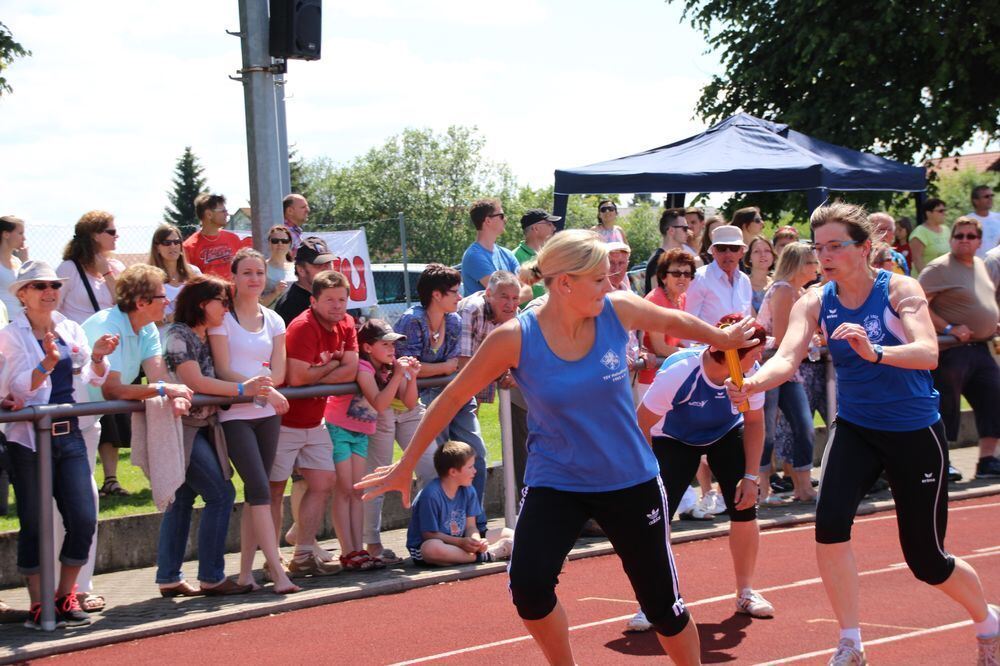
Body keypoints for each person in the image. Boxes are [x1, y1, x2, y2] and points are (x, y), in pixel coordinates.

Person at [359, 229, 758, 665]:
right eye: (599, 279)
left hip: (629, 480)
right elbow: (453, 396)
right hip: (557, 481)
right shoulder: (515, 337)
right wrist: (406, 464)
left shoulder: (617, 309)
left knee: (663, 606)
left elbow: (672, 321)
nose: (610, 285)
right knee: (529, 589)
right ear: (565, 282)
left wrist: (722, 339)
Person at [725, 202, 1000, 666]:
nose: (825, 256)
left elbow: (927, 352)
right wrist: (753, 382)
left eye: (836, 246)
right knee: (829, 527)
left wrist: (875, 351)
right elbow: (787, 357)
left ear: (865, 247)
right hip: (856, 428)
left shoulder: (900, 288)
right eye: (819, 248)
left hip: (913, 431)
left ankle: (988, 620)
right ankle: (850, 642)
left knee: (928, 561)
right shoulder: (815, 300)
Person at [625, 314, 772, 633]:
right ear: (733, 352)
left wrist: (751, 478)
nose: (760, 358)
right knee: (656, 519)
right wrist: (648, 475)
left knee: (745, 508)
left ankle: (746, 592)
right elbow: (642, 424)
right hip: (672, 439)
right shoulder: (681, 371)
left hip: (725, 434)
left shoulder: (750, 374)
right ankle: (653, 602)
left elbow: (754, 422)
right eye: (755, 352)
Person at [0, 261, 118, 629]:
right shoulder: (10, 335)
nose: (49, 291)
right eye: (40, 286)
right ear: (23, 294)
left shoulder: (69, 327)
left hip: (70, 434)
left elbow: (93, 376)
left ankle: (65, 594)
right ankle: (39, 603)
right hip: (28, 439)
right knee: (35, 522)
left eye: (54, 285)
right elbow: (16, 391)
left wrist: (98, 355)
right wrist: (46, 365)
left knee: (83, 518)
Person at [205, 250, 300, 593]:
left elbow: (279, 370)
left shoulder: (274, 320)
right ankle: (278, 572)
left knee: (256, 494)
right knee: (260, 489)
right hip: (236, 414)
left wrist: (267, 389)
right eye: (247, 273)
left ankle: (246, 573)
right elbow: (223, 369)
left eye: (259, 272)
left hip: (266, 414)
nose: (255, 279)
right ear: (233, 276)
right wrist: (259, 389)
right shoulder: (222, 320)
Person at [273, 270, 357, 577]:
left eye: (342, 299)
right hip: (284, 421)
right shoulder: (303, 327)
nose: (337, 306)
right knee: (273, 490)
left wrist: (319, 371)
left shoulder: (347, 323)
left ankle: (303, 554)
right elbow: (297, 378)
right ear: (314, 301)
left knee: (324, 482)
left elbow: (350, 370)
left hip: (314, 420)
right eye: (330, 300)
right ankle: (271, 560)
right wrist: (333, 365)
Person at [396, 264, 487, 534]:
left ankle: (474, 522)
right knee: (437, 465)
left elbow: (451, 365)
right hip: (420, 400)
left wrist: (437, 369)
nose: (460, 297)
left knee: (476, 454)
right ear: (436, 294)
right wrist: (443, 368)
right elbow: (407, 367)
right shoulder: (412, 321)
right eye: (454, 292)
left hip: (453, 394)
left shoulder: (454, 320)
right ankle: (433, 529)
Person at [326, 319, 420, 570]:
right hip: (339, 429)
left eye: (393, 345)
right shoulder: (363, 366)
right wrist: (398, 375)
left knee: (357, 490)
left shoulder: (389, 368)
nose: (392, 349)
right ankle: (348, 551)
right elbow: (379, 403)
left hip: (360, 433)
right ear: (368, 347)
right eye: (385, 344)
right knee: (344, 489)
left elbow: (410, 403)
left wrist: (411, 377)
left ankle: (358, 550)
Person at [918, 217, 1000, 479]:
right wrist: (948, 328)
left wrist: (992, 322)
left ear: (979, 241)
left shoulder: (980, 265)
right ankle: (942, 462)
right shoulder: (938, 267)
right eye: (959, 235)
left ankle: (987, 460)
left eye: (970, 236)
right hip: (950, 350)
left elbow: (983, 301)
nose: (964, 240)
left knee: (994, 397)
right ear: (951, 239)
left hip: (980, 347)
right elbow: (916, 303)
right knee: (946, 405)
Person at [55, 211, 128, 499]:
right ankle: (83, 479)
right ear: (94, 235)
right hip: (80, 355)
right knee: (87, 416)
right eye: (110, 231)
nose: (116, 235)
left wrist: (107, 272)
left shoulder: (115, 266)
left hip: (111, 349)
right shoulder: (69, 268)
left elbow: (124, 304)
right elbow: (54, 308)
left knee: (109, 416)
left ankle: (110, 477)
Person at [754, 242, 820, 504]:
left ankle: (803, 487)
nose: (817, 266)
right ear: (797, 265)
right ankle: (763, 489)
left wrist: (812, 341)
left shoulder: (799, 292)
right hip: (769, 367)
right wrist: (812, 343)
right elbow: (783, 339)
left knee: (804, 426)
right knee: (767, 430)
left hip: (789, 369)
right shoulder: (783, 290)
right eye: (811, 261)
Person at [406, 440, 514, 566]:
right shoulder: (430, 495)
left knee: (509, 533)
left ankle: (474, 554)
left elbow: (471, 527)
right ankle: (486, 555)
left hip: (461, 540)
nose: (475, 471)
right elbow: (429, 535)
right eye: (470, 467)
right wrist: (460, 543)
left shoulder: (468, 489)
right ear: (453, 472)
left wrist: (476, 542)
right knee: (431, 548)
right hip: (431, 545)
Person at [457, 270, 521, 404]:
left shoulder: (516, 314)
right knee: (464, 409)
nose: (511, 304)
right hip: (452, 381)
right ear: (488, 294)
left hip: (479, 372)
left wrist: (514, 373)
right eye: (504, 297)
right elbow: (463, 364)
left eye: (515, 298)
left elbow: (521, 355)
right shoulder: (471, 310)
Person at [637, 249, 693, 396]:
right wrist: (693, 354)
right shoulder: (656, 300)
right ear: (663, 277)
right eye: (676, 273)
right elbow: (660, 348)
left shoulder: (682, 297)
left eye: (687, 274)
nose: (682, 278)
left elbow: (675, 340)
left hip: (669, 373)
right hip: (649, 377)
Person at [685, 224, 753, 327]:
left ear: (741, 252)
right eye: (722, 248)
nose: (728, 254)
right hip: (705, 338)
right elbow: (688, 320)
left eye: (734, 248)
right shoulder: (699, 278)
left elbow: (747, 319)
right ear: (713, 251)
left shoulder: (744, 281)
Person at [460, 198, 520, 297]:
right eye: (501, 216)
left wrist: (513, 296)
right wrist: (515, 295)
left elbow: (528, 291)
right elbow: (500, 292)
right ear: (488, 221)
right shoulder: (474, 256)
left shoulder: (507, 254)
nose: (505, 219)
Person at [273, 236, 336, 326]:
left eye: (328, 263)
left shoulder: (332, 298)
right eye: (318, 265)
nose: (326, 269)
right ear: (301, 270)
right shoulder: (289, 306)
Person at [182, 193, 247, 279]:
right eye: (223, 211)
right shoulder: (188, 247)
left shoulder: (233, 239)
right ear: (209, 214)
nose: (227, 214)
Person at [148, 223, 202, 324]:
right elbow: (142, 317)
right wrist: (168, 318)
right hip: (163, 333)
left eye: (177, 242)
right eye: (166, 243)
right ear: (157, 248)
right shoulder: (148, 279)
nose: (173, 246)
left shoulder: (194, 273)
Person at [645, 209, 702, 295]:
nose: (688, 232)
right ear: (671, 231)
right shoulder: (657, 260)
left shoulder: (671, 257)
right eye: (685, 228)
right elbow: (656, 296)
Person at [512, 209, 559, 301]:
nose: (554, 228)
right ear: (536, 228)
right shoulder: (514, 256)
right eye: (549, 224)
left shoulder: (550, 255)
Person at [910, 198, 951, 275]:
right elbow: (917, 260)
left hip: (945, 278)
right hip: (926, 279)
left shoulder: (946, 230)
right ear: (928, 213)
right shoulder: (919, 233)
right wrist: (928, 279)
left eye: (944, 210)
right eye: (940, 211)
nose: (944, 213)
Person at [0, 215, 27, 318]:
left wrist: (25, 262)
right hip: (3, 320)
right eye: (20, 233)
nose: (24, 238)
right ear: (6, 234)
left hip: (20, 319)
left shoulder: (18, 261)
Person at [261, 225, 293, 307]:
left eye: (284, 241)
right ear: (269, 243)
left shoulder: (297, 268)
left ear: (290, 243)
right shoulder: (261, 268)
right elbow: (256, 304)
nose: (280, 244)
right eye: (275, 241)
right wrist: (275, 293)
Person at [744, 236, 775, 314]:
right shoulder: (743, 284)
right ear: (749, 257)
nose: (763, 254)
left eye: (767, 250)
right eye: (756, 251)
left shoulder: (778, 284)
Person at [968, 185, 1000, 259]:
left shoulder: (998, 217)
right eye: (986, 196)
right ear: (975, 201)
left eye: (991, 196)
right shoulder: (968, 221)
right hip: (977, 264)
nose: (990, 198)